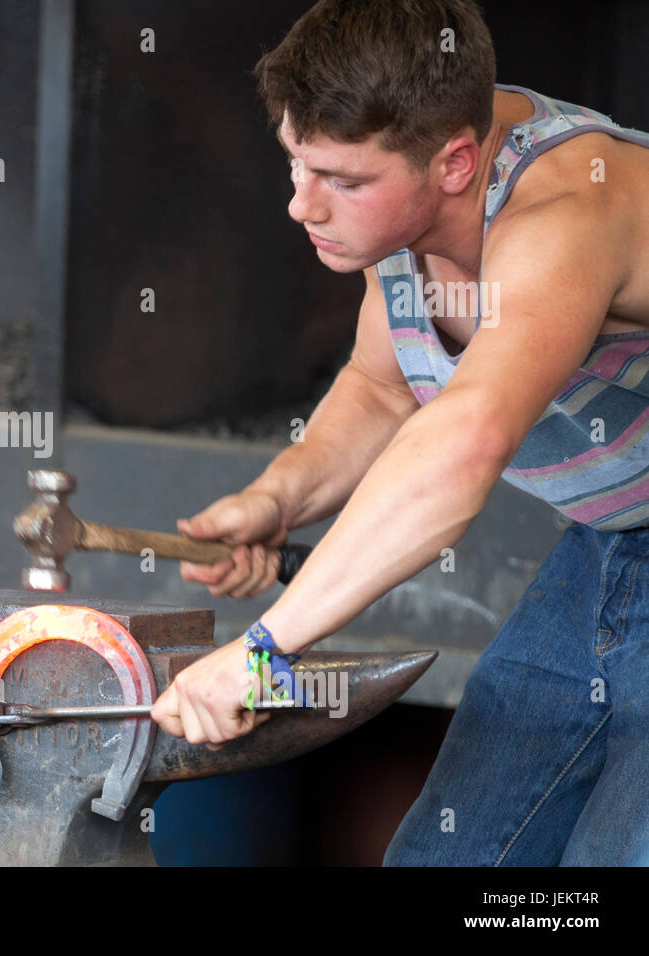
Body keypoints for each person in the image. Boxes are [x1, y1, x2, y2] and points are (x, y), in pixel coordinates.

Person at [149, 0, 649, 866]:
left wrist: (263, 652)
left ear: (456, 162)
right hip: (614, 544)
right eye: (297, 164)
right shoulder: (405, 200)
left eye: (340, 181)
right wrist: (281, 496)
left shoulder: (566, 212)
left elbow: (462, 443)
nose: (302, 205)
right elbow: (385, 388)